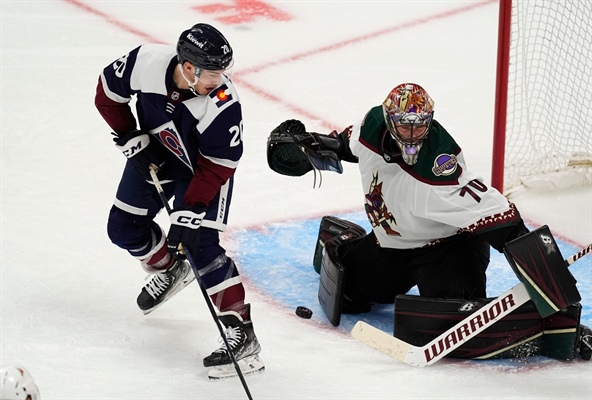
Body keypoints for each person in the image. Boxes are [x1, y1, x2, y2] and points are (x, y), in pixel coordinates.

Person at [266, 83, 592, 361]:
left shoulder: (445, 175)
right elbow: (346, 147)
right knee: (348, 297)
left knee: (453, 318)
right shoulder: (372, 125)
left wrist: (561, 305)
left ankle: (536, 323)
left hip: (448, 248)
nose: (411, 134)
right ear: (389, 119)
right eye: (403, 125)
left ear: (429, 121)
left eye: (419, 126)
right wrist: (309, 147)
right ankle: (348, 240)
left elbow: (509, 228)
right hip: (392, 244)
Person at [94, 23, 262, 375]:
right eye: (212, 74)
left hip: (203, 170)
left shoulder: (222, 105)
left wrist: (191, 208)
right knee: (123, 228)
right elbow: (107, 92)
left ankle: (241, 333)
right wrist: (128, 134)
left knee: (200, 244)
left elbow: (220, 164)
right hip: (158, 151)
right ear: (188, 67)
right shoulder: (147, 61)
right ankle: (170, 268)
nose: (219, 81)